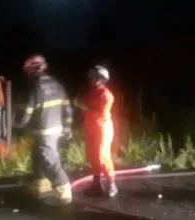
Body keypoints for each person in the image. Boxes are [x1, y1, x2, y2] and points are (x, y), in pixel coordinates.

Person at [13, 54, 73, 206]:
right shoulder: (57, 84)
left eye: (27, 71)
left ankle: (64, 192)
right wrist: (67, 128)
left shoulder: (35, 87)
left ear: (32, 70)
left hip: (43, 131)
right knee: (38, 158)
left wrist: (16, 124)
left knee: (50, 160)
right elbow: (68, 108)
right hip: (56, 130)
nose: (27, 74)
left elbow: (27, 113)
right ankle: (40, 187)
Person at [73, 65, 118, 197]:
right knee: (92, 155)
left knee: (102, 156)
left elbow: (101, 114)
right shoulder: (91, 92)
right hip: (91, 127)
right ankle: (96, 185)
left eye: (94, 77)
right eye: (91, 77)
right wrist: (78, 102)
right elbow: (81, 103)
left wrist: (83, 106)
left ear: (101, 79)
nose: (91, 79)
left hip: (102, 128)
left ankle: (112, 185)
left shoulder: (106, 95)